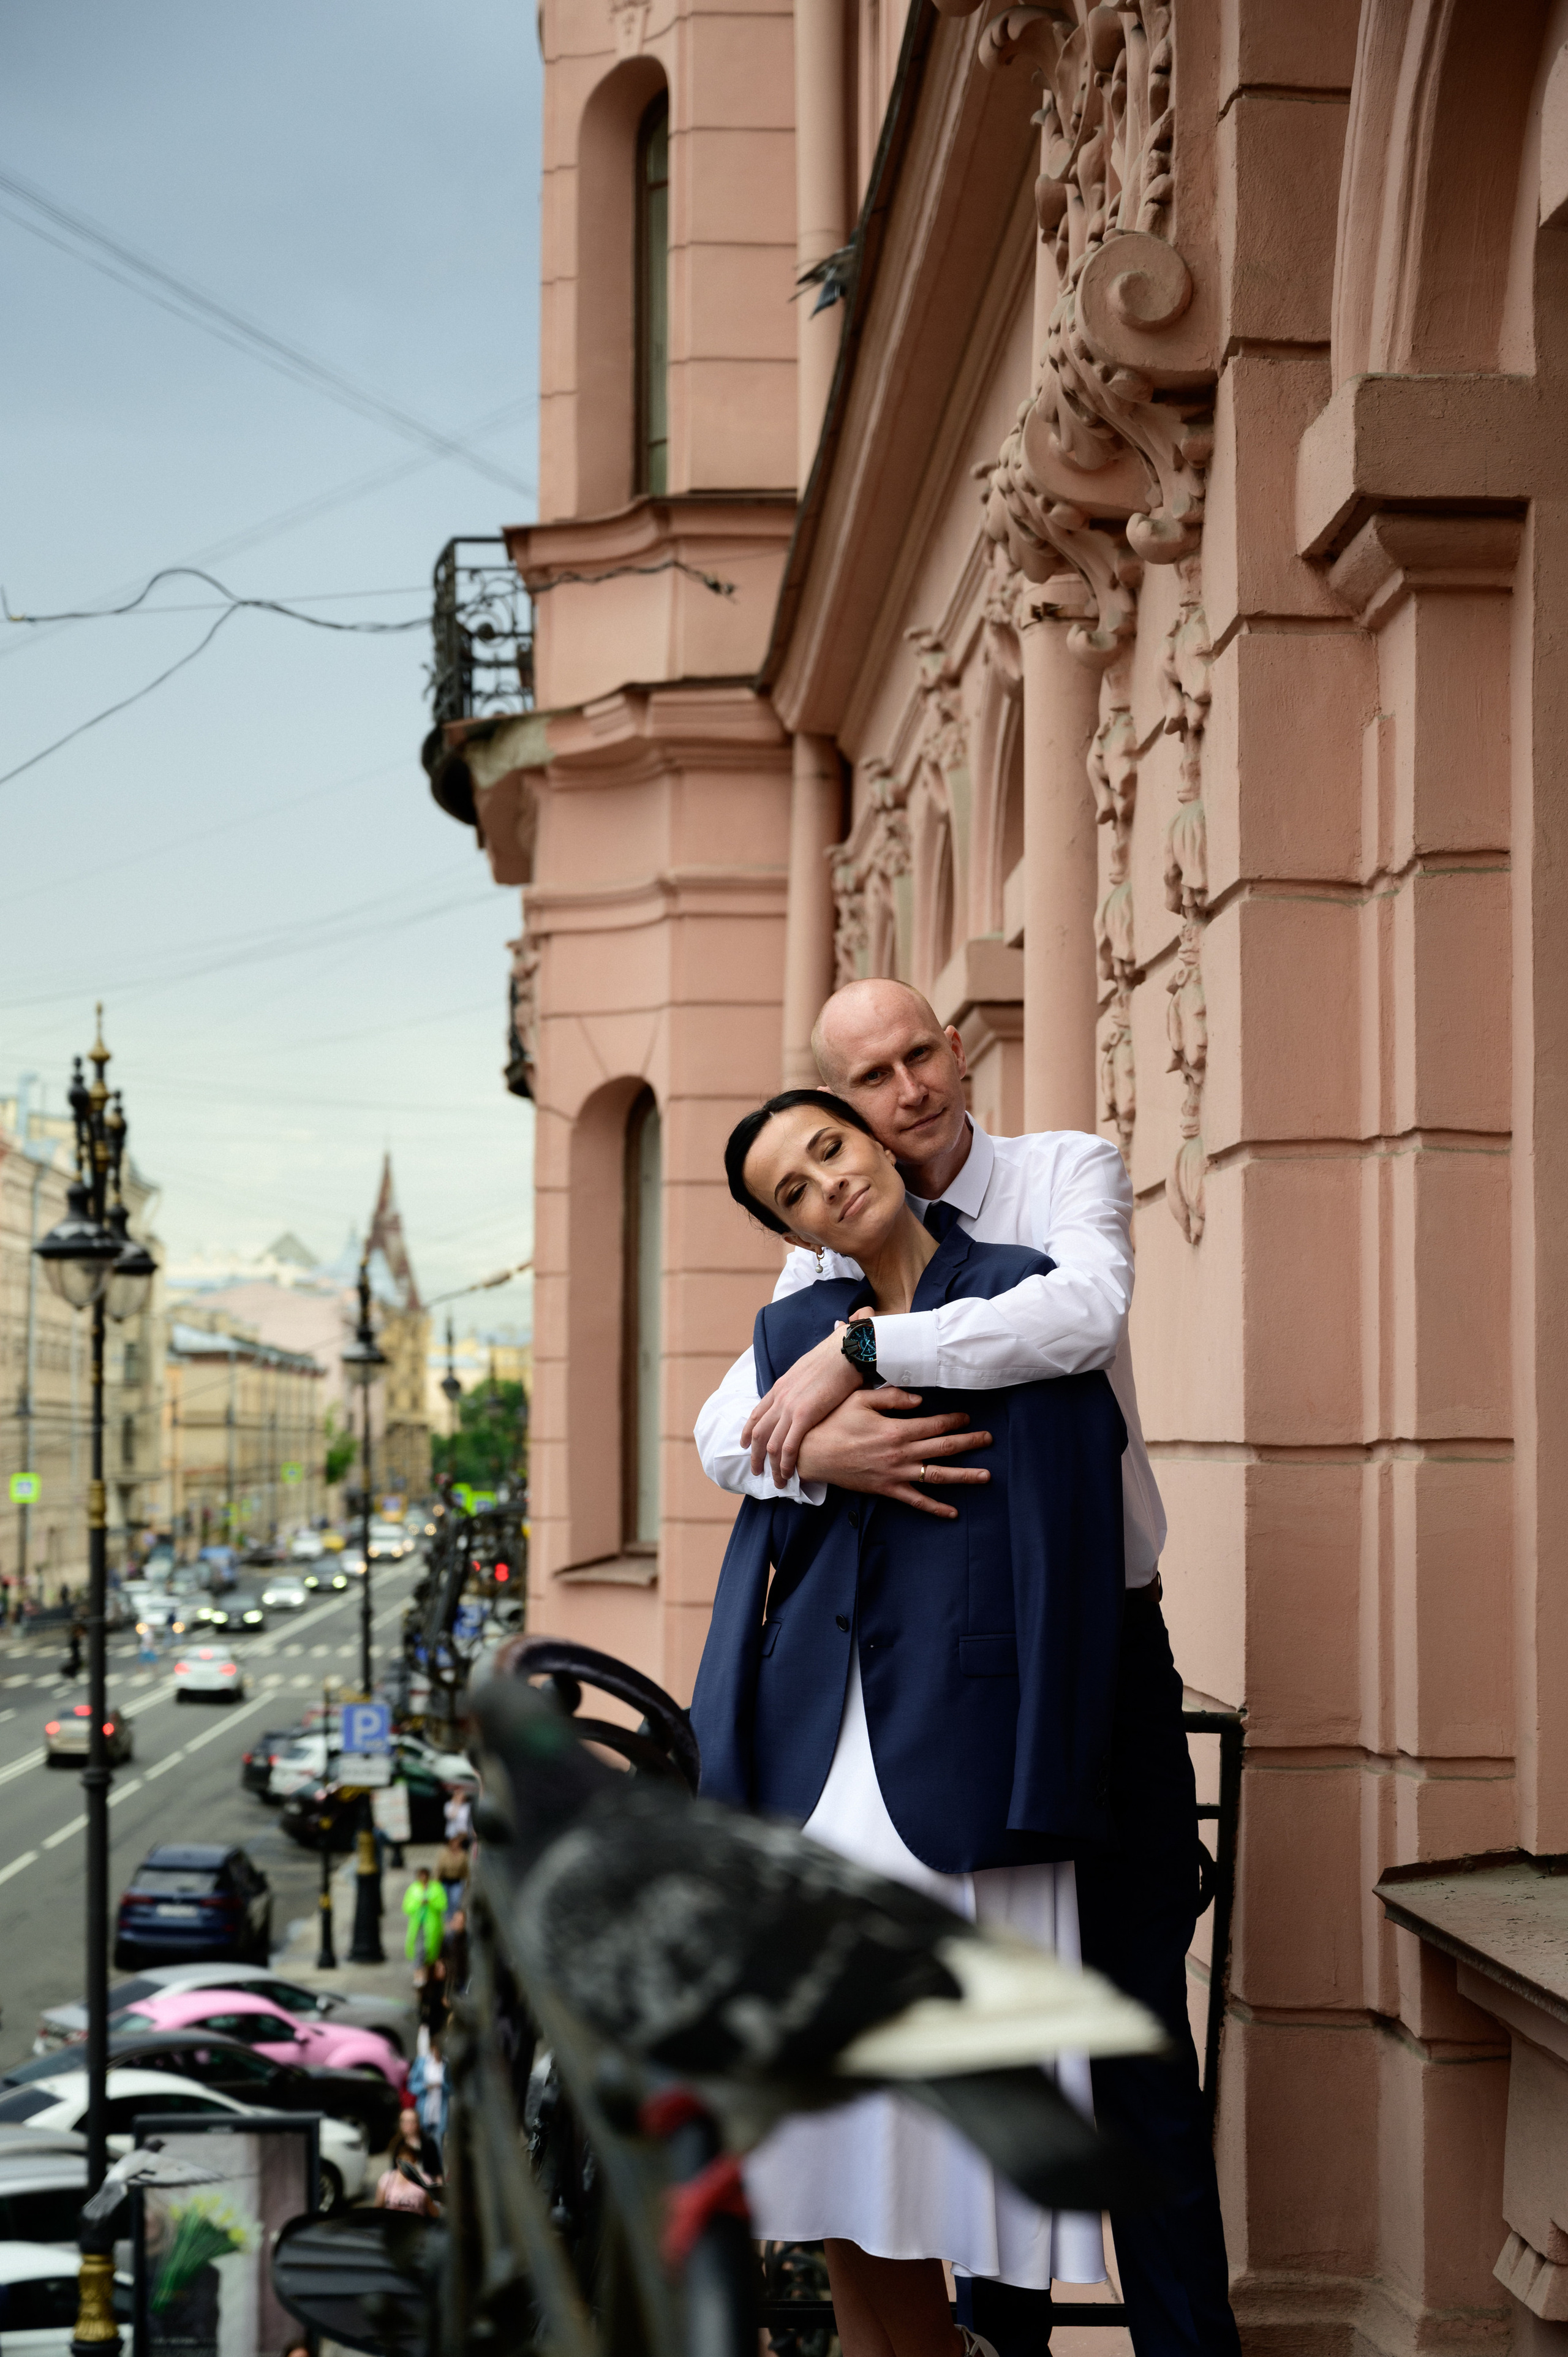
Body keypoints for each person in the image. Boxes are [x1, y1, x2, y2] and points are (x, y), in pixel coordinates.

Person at [694, 980, 1240, 2357]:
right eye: (867, 1080)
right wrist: (821, 1447)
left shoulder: (1060, 1172)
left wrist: (863, 1351)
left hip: (1097, 1656)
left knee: (1124, 2047)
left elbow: (1076, 1318)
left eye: (917, 1054)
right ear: (839, 1105)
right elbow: (722, 1437)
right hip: (922, 1696)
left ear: (953, 1048)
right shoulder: (811, 1250)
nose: (907, 1090)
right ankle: (1002, 2340)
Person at [374, 2111, 438, 2214]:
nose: (409, 2126)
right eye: (405, 2122)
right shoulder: (397, 2144)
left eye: (412, 2122)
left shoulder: (428, 2143)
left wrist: (437, 2191)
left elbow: (436, 2170)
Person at [402, 1863, 446, 1969]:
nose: (423, 1878)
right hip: (418, 1922)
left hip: (432, 1923)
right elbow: (407, 1906)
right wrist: (419, 1904)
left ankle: (429, 1966)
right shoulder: (413, 1889)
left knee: (431, 1946)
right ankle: (419, 1967)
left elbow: (442, 1904)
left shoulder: (436, 1888)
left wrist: (430, 1902)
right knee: (419, 1945)